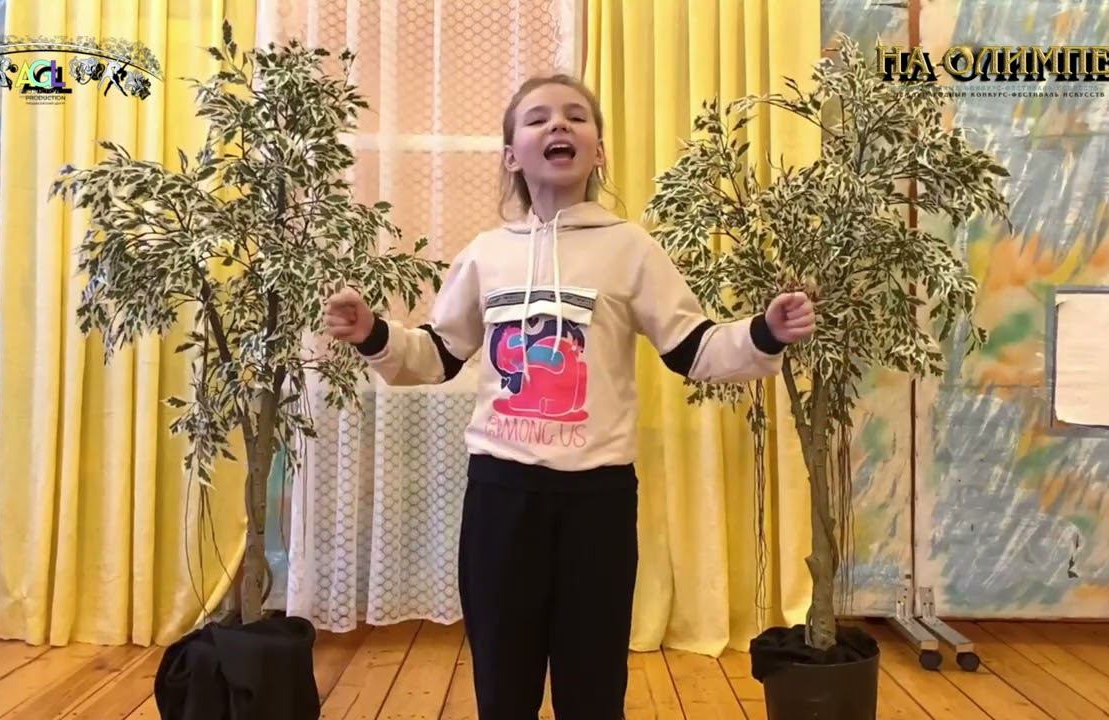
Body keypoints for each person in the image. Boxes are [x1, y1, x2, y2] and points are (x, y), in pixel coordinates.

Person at [323, 74, 816, 720]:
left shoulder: (630, 249)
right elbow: (437, 355)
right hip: (501, 499)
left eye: (576, 116)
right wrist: (374, 334)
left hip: (597, 505)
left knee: (593, 687)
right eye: (537, 119)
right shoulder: (486, 254)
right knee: (504, 684)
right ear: (511, 155)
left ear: (599, 150)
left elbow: (694, 349)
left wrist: (764, 332)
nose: (558, 125)